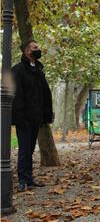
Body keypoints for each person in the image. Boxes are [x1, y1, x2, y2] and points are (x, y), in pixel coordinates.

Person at [12, 40, 53, 191]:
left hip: (36, 117)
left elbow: (44, 94)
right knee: (24, 149)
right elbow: (17, 96)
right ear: (27, 51)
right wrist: (19, 117)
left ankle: (29, 178)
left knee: (29, 149)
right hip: (23, 118)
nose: (38, 49)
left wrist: (45, 115)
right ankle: (22, 179)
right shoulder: (17, 70)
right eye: (35, 47)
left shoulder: (38, 70)